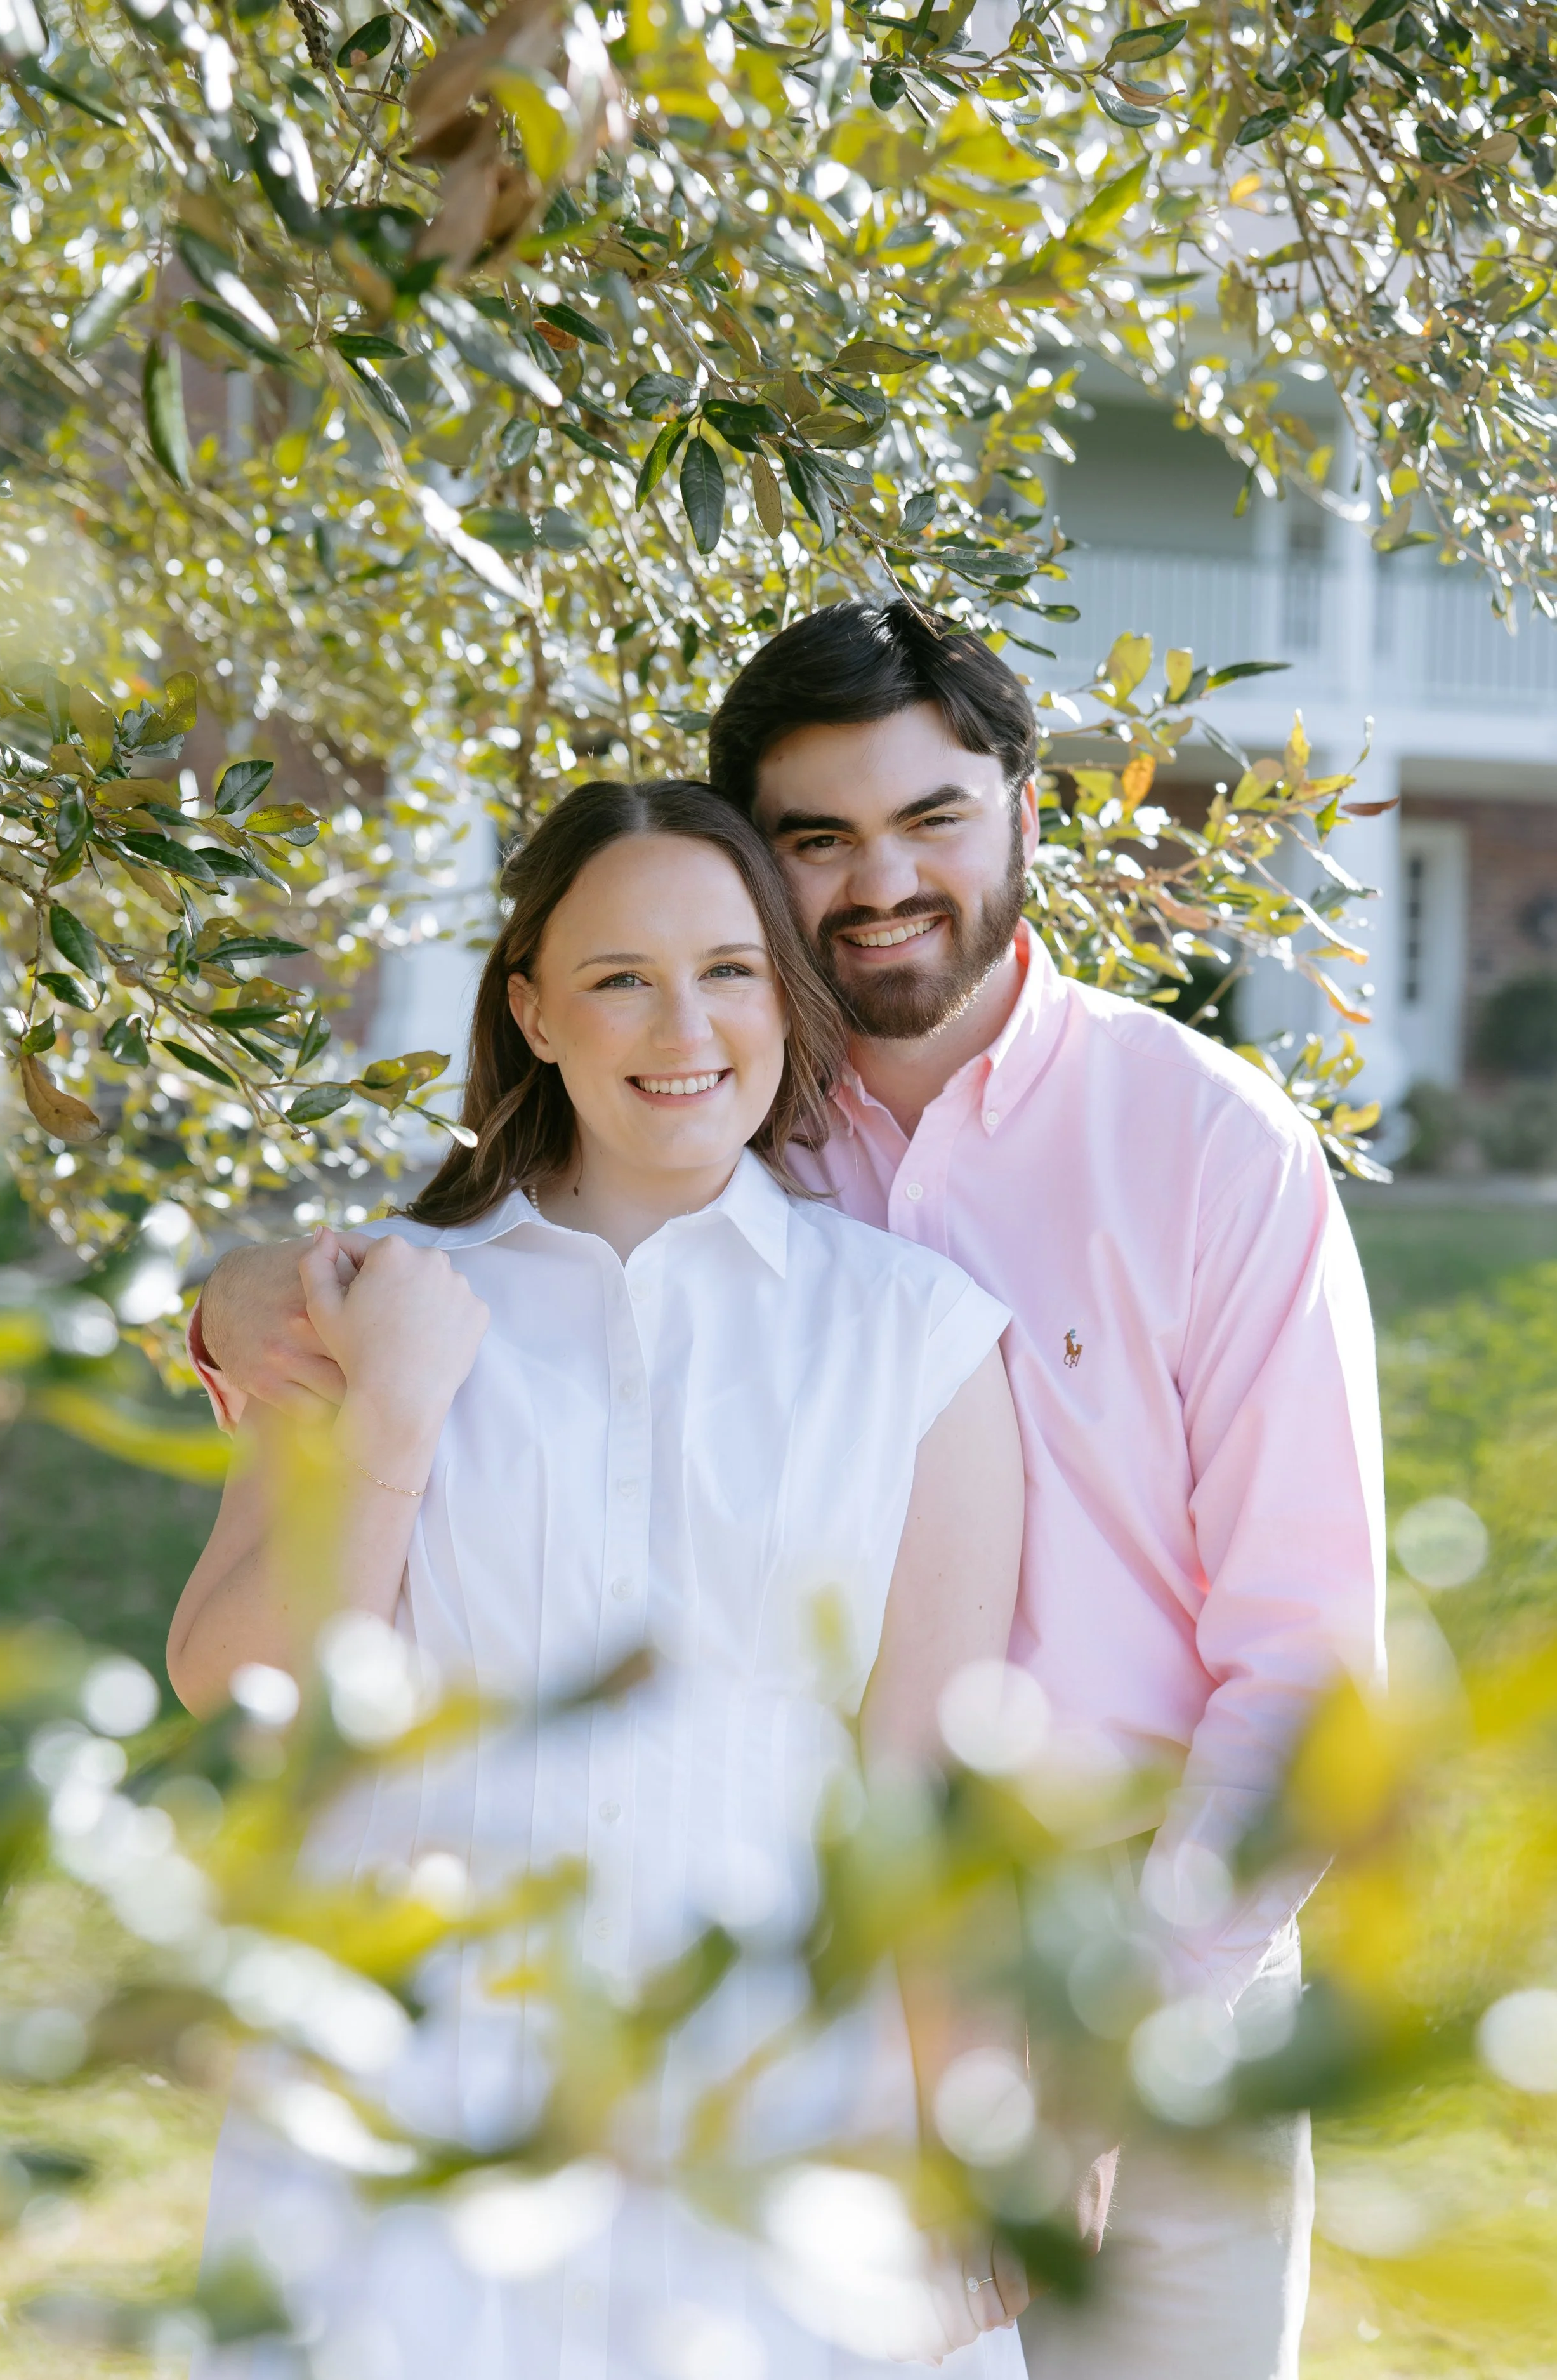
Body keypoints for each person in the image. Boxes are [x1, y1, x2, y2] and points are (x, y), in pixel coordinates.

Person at [190, 602, 1387, 2380]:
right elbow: (414, 1345)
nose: (878, 878)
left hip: (1141, 1928)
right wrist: (236, 1302)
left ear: (1024, 816)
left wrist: (1089, 2044)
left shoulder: (1202, 1145)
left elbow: (1304, 1664)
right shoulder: (707, 1124)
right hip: (646, 1985)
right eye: (817, 838)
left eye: (929, 817)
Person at [169, 777, 1033, 2378]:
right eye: (618, 976)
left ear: (785, 993)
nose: (679, 1023)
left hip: (772, 2079)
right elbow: (247, 1692)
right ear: (532, 1011)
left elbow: (929, 1794)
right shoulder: (367, 1305)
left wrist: (962, 2137)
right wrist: (396, 1422)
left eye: (725, 968)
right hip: (413, 2083)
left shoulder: (913, 1337)